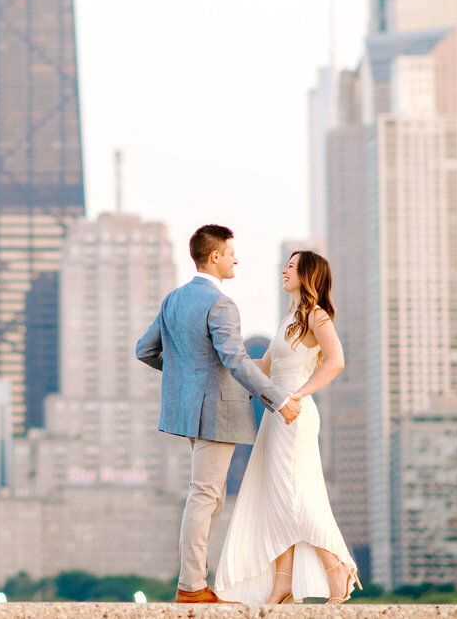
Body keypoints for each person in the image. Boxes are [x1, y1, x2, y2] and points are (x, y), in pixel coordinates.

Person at [136, 223, 301, 604]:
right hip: (216, 414)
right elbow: (236, 361)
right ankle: (192, 587)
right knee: (204, 496)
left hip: (190, 413)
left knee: (210, 497)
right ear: (214, 257)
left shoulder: (173, 300)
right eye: (230, 253)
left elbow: (145, 350)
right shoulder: (221, 304)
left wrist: (188, 377)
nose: (235, 259)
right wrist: (277, 399)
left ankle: (196, 583)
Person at [214, 249, 360, 604]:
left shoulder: (317, 315)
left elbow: (336, 362)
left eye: (291, 267)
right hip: (275, 416)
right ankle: (283, 584)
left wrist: (296, 394)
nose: (283, 270)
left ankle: (336, 565)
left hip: (294, 416)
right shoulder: (288, 319)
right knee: (280, 499)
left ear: (307, 274)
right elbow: (261, 368)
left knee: (296, 498)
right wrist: (219, 368)